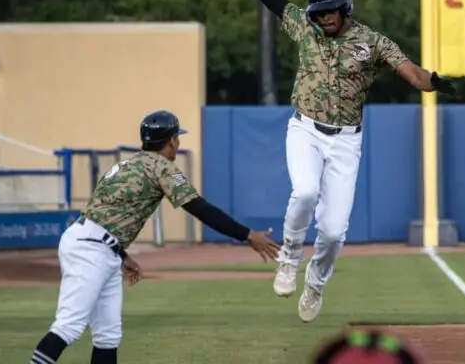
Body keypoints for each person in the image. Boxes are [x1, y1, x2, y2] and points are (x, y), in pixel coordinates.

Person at [216, 0, 458, 323]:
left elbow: (409, 71)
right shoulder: (304, 29)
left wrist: (432, 82)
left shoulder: (370, 41)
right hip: (305, 129)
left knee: (332, 231)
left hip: (346, 141)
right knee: (305, 191)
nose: (324, 17)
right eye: (318, 12)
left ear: (345, 9)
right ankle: (289, 258)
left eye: (331, 11)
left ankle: (315, 283)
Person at [29, 110, 280, 364]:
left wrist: (121, 253)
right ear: (171, 140)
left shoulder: (125, 164)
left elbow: (104, 212)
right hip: (91, 248)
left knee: (108, 336)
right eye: (176, 137)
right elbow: (199, 208)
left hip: (97, 243)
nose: (178, 143)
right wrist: (247, 235)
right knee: (68, 327)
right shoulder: (162, 168)